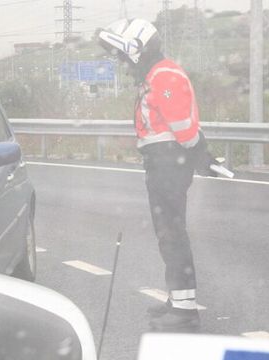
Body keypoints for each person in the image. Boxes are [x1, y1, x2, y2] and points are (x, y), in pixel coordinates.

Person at [98, 18, 211, 332]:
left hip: (169, 162)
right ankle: (178, 301)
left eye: (122, 54)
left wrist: (195, 150)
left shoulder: (163, 75)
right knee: (167, 233)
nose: (120, 60)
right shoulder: (154, 74)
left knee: (172, 233)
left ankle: (186, 310)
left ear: (137, 49)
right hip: (163, 161)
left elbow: (183, 128)